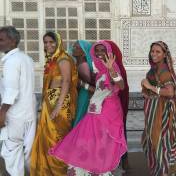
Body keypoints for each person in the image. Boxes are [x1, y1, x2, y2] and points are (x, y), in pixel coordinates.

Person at [49, 40, 127, 175]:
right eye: (97, 50)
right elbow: (97, 89)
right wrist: (81, 84)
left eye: (103, 50)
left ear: (109, 52)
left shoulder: (111, 67)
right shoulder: (100, 69)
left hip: (107, 112)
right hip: (95, 111)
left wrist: (111, 69)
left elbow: (121, 85)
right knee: (89, 144)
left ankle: (97, 171)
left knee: (99, 145)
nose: (99, 53)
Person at [30, 31, 78, 175]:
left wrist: (58, 105)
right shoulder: (53, 59)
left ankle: (59, 171)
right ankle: (47, 171)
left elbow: (67, 81)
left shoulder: (63, 59)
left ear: (58, 43)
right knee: (48, 137)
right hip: (51, 100)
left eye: (51, 42)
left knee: (57, 138)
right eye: (45, 42)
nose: (48, 45)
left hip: (60, 103)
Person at [0, 26, 36, 176]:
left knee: (12, 152)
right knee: (27, 154)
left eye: (1, 39)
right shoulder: (26, 58)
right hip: (28, 113)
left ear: (13, 41)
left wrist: (2, 113)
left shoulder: (11, 61)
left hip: (14, 115)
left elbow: (11, 91)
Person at [141, 41, 176, 175]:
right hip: (155, 112)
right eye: (152, 51)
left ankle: (164, 172)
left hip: (163, 114)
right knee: (156, 143)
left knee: (161, 144)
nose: (154, 54)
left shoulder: (163, 69)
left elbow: (169, 92)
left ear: (164, 54)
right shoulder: (154, 69)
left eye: (158, 52)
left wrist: (150, 87)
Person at [106, 40, 130, 170]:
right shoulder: (102, 68)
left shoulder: (116, 68)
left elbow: (121, 87)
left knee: (117, 134)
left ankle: (121, 161)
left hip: (115, 107)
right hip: (109, 108)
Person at [70, 40, 94, 127]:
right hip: (80, 94)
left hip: (83, 95)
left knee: (79, 118)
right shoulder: (79, 63)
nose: (73, 49)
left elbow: (89, 82)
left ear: (84, 53)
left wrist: (79, 83)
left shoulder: (83, 65)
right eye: (74, 47)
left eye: (77, 48)